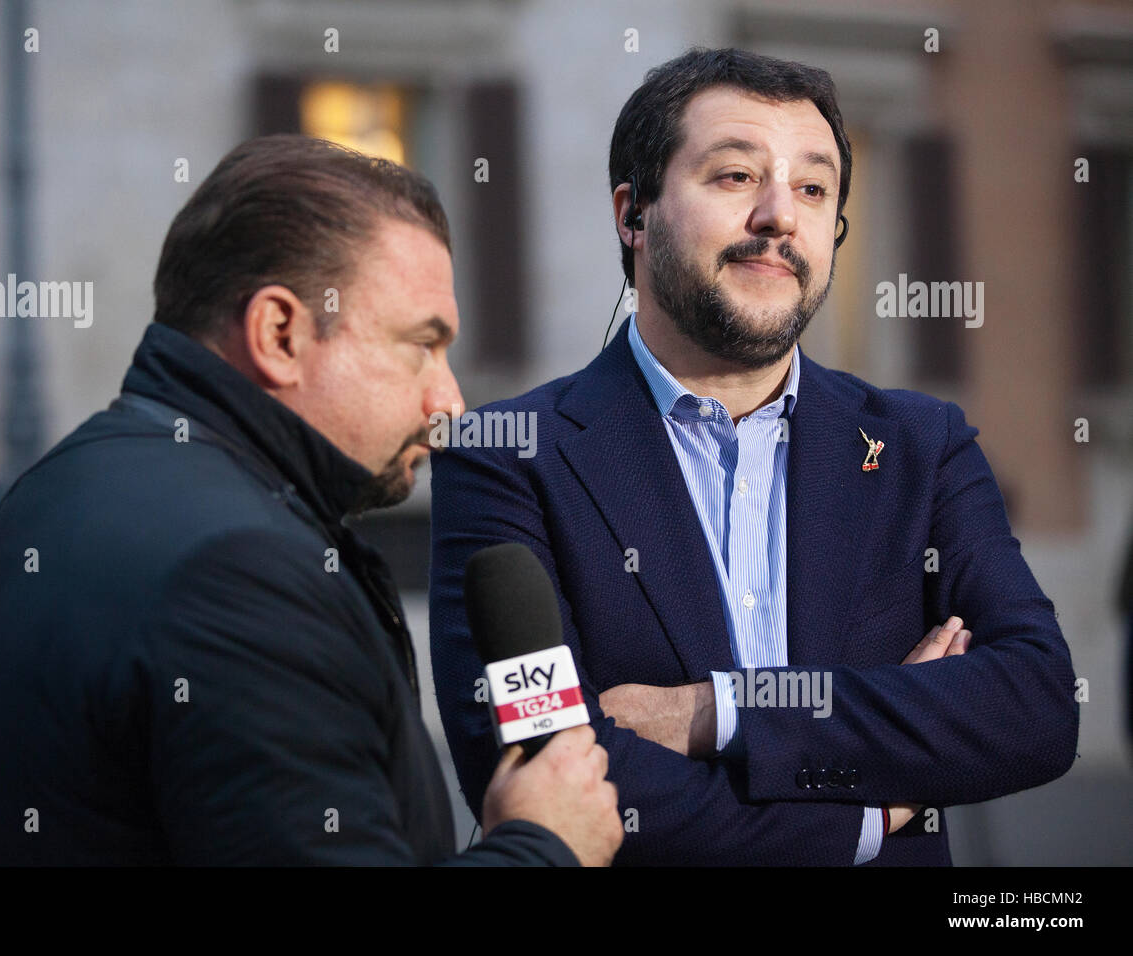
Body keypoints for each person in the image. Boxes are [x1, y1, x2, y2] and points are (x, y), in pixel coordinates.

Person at [428, 47, 1079, 865]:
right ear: (634, 213)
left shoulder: (923, 449)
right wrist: (863, 820)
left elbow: (1035, 705)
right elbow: (541, 768)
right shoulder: (507, 459)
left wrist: (722, 712)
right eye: (735, 177)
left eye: (813, 189)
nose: (780, 216)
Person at [0, 135, 621, 866]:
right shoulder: (244, 574)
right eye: (421, 345)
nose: (449, 402)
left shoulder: (52, 490)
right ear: (280, 332)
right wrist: (545, 847)